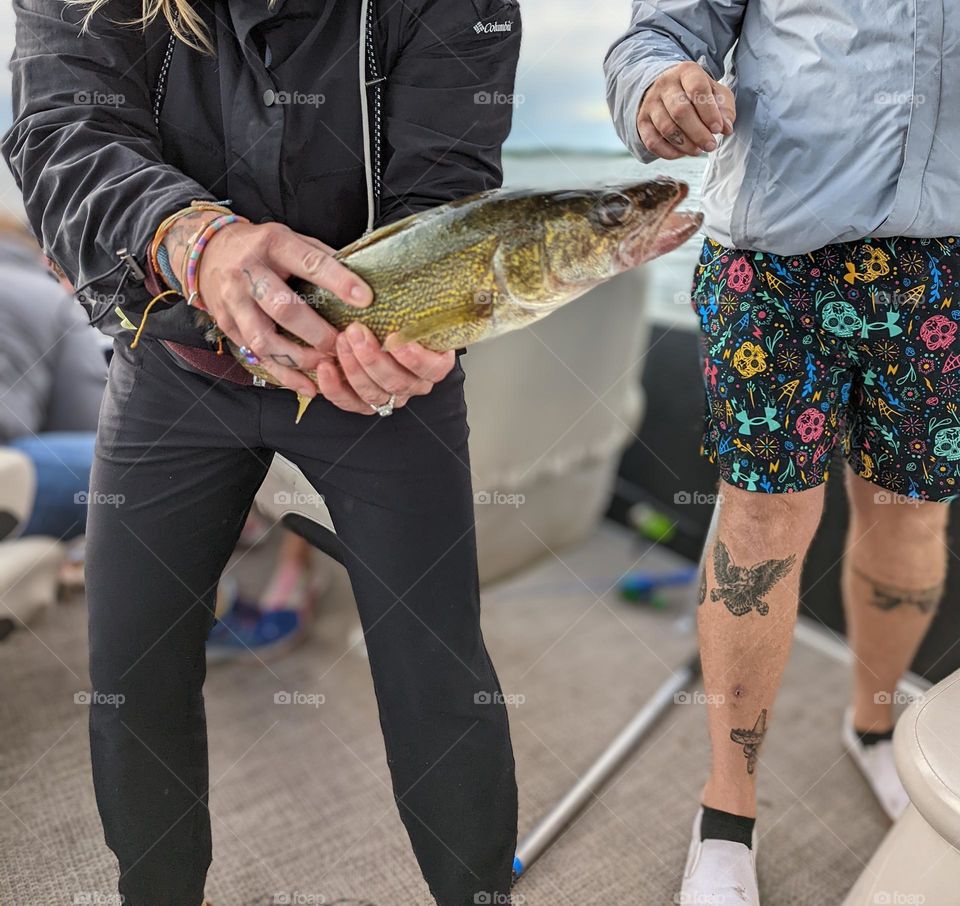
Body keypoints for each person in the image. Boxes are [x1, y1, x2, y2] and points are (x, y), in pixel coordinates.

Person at [3, 0, 522, 903]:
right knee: (132, 677)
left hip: (368, 371)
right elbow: (60, 130)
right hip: (173, 361)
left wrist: (415, 338)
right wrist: (196, 242)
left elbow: (444, 195)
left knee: (437, 677)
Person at [605, 3, 958, 904]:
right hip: (773, 264)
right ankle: (726, 813)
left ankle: (873, 730)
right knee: (761, 529)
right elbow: (655, 39)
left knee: (912, 519)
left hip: (948, 269)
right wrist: (656, 89)